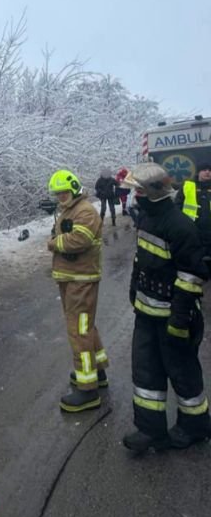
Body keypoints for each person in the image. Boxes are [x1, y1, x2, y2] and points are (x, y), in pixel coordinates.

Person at [120, 163, 210, 453]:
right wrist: (135, 289)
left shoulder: (179, 226)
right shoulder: (147, 219)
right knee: (146, 373)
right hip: (146, 315)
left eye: (140, 191)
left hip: (174, 318)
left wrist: (179, 320)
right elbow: (141, 260)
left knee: (183, 373)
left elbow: (192, 276)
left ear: (154, 192)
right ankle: (150, 430)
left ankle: (195, 427)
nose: (136, 196)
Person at [46, 169, 107, 412]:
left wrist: (54, 243)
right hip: (73, 278)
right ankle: (97, 371)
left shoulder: (84, 211)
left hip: (81, 279)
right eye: (57, 194)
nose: (60, 197)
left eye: (63, 193)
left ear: (74, 189)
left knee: (79, 330)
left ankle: (87, 390)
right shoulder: (72, 210)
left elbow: (78, 240)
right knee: (86, 326)